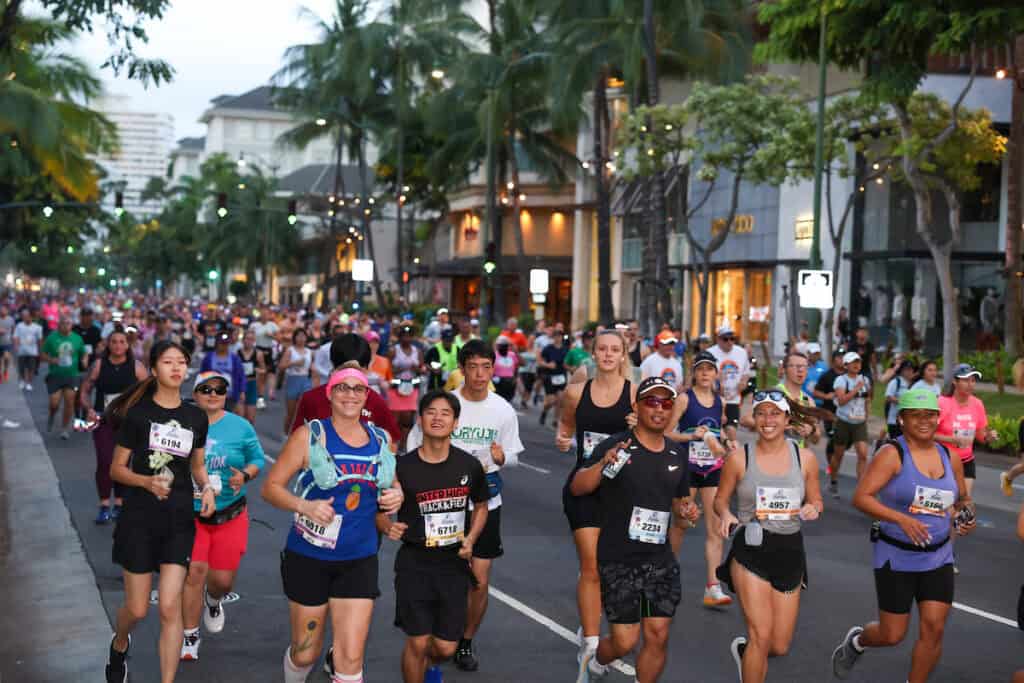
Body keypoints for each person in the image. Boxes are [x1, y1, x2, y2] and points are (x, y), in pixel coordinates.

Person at [262, 365, 400, 683]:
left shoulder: (382, 440)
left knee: (350, 658)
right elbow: (270, 488)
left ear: (367, 396)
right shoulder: (309, 436)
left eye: (357, 389)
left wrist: (397, 497)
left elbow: (392, 486)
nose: (350, 394)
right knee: (305, 653)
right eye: (342, 387)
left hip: (358, 559)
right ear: (330, 393)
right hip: (309, 559)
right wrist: (304, 506)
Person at [831, 389, 975, 682]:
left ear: (938, 418)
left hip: (939, 555)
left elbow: (962, 500)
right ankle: (858, 641)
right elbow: (862, 497)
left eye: (931, 415)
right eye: (916, 415)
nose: (924, 421)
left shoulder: (950, 457)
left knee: (934, 629)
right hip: (896, 555)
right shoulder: (892, 454)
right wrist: (900, 518)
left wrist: (965, 516)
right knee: (892, 634)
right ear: (903, 419)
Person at [570, 376, 700, 683]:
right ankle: (595, 660)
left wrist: (688, 513)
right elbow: (578, 487)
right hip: (618, 559)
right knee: (624, 642)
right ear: (636, 407)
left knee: (657, 635)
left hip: (660, 560)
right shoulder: (618, 446)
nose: (659, 409)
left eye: (666, 403)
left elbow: (683, 511)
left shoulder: (676, 455)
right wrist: (602, 465)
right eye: (651, 402)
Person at [405, 339, 523, 673]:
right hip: (444, 505)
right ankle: (437, 634)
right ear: (462, 368)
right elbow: (415, 444)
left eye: (486, 367)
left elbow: (512, 455)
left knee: (480, 580)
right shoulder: (445, 404)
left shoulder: (503, 409)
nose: (480, 374)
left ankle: (465, 641)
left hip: (487, 502)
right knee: (440, 576)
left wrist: (504, 458)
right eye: (473, 367)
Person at [105, 340, 217, 683]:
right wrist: (146, 482)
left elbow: (197, 466)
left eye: (182, 362)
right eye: (168, 362)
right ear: (154, 369)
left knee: (170, 608)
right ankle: (120, 642)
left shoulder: (196, 416)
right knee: (138, 609)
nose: (176, 368)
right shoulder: (138, 415)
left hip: (179, 520)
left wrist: (208, 487)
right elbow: (116, 470)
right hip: (139, 519)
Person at [714, 390, 823, 683]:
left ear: (787, 419)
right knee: (761, 634)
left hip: (790, 551)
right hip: (751, 549)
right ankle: (753, 652)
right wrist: (725, 514)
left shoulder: (806, 459)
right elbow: (720, 501)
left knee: (778, 645)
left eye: (775, 413)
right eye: (761, 413)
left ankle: (747, 652)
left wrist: (813, 508)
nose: (767, 420)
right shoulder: (739, 458)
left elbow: (816, 500)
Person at [385, 390, 490, 683]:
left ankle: (432, 666)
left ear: (456, 423)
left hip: (453, 563)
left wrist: (470, 539)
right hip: (414, 563)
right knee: (417, 641)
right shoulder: (402, 467)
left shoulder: (468, 465)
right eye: (431, 412)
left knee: (445, 647)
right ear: (420, 419)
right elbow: (378, 508)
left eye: (446, 413)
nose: (438, 418)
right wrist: (386, 526)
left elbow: (482, 507)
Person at [554, 329, 634, 676]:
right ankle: (590, 642)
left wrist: (639, 425)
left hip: (623, 491)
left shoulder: (634, 395)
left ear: (623, 354)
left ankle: (607, 633)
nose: (607, 354)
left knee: (612, 567)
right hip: (584, 486)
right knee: (590, 566)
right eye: (602, 349)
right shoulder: (576, 392)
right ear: (594, 353)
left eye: (614, 349)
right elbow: (566, 427)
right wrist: (562, 438)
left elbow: (658, 428)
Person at [180, 371, 265, 661]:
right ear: (195, 393)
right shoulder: (181, 424)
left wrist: (245, 475)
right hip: (190, 515)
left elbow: (257, 459)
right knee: (194, 573)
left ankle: (213, 600)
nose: (213, 394)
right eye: (205, 389)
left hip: (230, 513)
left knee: (222, 581)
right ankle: (190, 636)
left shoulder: (240, 427)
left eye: (219, 389)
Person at [667, 351, 733, 609]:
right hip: (687, 467)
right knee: (683, 522)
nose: (705, 373)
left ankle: (713, 587)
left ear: (716, 373)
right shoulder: (685, 399)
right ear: (694, 373)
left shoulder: (720, 402)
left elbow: (718, 431)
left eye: (709, 369)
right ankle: (667, 572)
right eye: (700, 369)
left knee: (715, 527)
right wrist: (692, 436)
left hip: (712, 468)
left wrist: (728, 442)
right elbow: (667, 433)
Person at [79, 329, 149, 524]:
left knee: (123, 463)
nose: (118, 346)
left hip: (128, 423)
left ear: (128, 345)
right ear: (108, 345)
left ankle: (119, 503)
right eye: (114, 342)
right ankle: (103, 505)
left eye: (122, 342)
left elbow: (150, 392)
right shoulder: (99, 365)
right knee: (104, 461)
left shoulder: (136, 367)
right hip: (103, 421)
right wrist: (89, 408)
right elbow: (84, 392)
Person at [291, 333, 402, 445]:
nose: (350, 376)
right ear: (334, 365)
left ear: (366, 368)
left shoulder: (376, 401)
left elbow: (392, 441)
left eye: (357, 370)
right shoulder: (311, 399)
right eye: (345, 370)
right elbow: (295, 441)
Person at [935, 364, 996, 500]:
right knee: (945, 502)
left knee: (964, 501)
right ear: (954, 382)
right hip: (943, 461)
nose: (970, 384)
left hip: (967, 461)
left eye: (973, 380)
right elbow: (927, 435)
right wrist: (952, 440)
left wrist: (988, 437)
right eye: (965, 380)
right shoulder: (942, 403)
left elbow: (981, 436)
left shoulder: (977, 404)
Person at [828, 352, 872, 498]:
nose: (856, 365)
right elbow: (841, 401)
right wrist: (856, 389)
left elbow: (867, 398)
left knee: (863, 454)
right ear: (846, 365)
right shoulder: (840, 380)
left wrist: (867, 414)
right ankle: (833, 480)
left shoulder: (865, 379)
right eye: (853, 362)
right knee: (838, 455)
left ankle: (861, 488)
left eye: (858, 362)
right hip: (843, 422)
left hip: (859, 422)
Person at [40, 316, 86, 440]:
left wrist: (84, 360)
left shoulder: (77, 338)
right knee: (54, 403)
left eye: (68, 323)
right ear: (59, 325)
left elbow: (84, 352)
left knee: (69, 402)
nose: (66, 325)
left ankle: (64, 428)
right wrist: (51, 359)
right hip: (55, 375)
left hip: (72, 375)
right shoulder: (52, 338)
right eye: (63, 323)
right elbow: (43, 354)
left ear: (71, 325)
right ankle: (52, 414)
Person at [708, 326, 751, 440]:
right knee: (715, 432)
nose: (729, 342)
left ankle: (730, 457)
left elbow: (746, 373)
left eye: (732, 339)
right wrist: (716, 383)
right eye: (725, 339)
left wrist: (743, 383)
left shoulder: (741, 353)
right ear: (718, 339)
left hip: (733, 399)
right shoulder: (710, 353)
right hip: (713, 400)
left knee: (731, 431)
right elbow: (703, 375)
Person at [391, 324, 425, 447]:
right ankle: (393, 444)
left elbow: (423, 369)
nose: (406, 338)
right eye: (404, 336)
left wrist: (417, 368)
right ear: (400, 337)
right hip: (396, 387)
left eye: (409, 336)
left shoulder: (417, 351)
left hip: (411, 387)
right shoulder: (394, 350)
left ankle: (404, 446)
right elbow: (386, 369)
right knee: (395, 419)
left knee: (408, 419)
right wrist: (398, 370)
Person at [199, 331, 246, 411]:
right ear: (217, 343)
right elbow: (202, 375)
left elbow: (241, 375)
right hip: (212, 395)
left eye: (226, 343)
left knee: (228, 419)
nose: (224, 346)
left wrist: (242, 391)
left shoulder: (234, 358)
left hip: (230, 395)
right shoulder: (209, 358)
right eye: (221, 343)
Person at [280, 328, 313, 439]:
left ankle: (299, 436)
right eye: (298, 336)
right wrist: (294, 363)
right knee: (291, 413)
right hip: (292, 380)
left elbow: (313, 368)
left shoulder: (309, 352)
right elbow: (281, 366)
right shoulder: (290, 350)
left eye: (303, 336)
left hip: (305, 381)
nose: (301, 338)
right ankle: (286, 434)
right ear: (295, 338)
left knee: (304, 411)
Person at [538, 331, 569, 426]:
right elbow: (540, 361)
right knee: (551, 400)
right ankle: (544, 411)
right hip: (550, 376)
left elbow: (568, 362)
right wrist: (548, 365)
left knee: (560, 399)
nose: (557, 338)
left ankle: (555, 420)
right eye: (556, 336)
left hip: (561, 376)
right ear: (553, 337)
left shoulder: (565, 349)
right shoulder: (548, 348)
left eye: (559, 336)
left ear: (562, 338)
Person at [234, 329, 264, 424]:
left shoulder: (258, 354)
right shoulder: (237, 354)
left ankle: (248, 438)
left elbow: (264, 369)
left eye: (251, 339)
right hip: (239, 385)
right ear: (243, 340)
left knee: (250, 419)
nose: (249, 341)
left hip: (251, 384)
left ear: (254, 341)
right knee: (239, 417)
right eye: (247, 339)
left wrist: (258, 370)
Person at [884, 359, 916, 439]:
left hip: (907, 422)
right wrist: (903, 401)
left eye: (911, 369)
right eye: (907, 369)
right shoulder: (896, 382)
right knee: (896, 443)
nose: (909, 372)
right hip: (894, 421)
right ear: (901, 370)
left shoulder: (913, 385)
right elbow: (888, 397)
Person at [425, 327, 459, 391]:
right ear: (442, 339)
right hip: (437, 383)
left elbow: (462, 363)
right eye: (447, 340)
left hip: (453, 383)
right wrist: (433, 369)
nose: (448, 343)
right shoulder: (434, 350)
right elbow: (425, 363)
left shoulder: (457, 349)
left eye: (450, 340)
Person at [492, 336, 519, 402]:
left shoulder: (512, 355)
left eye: (505, 345)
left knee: (508, 401)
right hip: (498, 382)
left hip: (510, 382)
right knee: (498, 401)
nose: (503, 347)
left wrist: (515, 377)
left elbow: (518, 365)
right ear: (497, 346)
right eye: (501, 345)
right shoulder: (493, 355)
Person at [0, 305, 14, 383]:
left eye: (5, 310)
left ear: (7, 311)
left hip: (7, 343)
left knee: (6, 358)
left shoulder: (10, 319)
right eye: (2, 310)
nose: (3, 311)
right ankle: (0, 375)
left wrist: (12, 337)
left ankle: (5, 371)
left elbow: (13, 329)